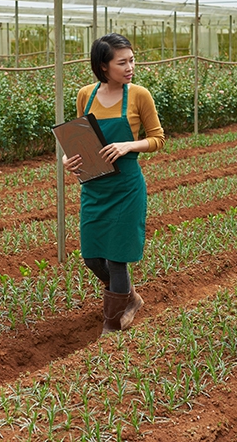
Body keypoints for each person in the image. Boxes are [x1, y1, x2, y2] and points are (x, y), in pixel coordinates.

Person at [62, 33, 165, 335]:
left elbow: (158, 138)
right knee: (92, 256)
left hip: (126, 187)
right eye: (122, 62)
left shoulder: (139, 96)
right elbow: (81, 138)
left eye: (132, 60)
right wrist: (69, 160)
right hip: (95, 185)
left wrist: (128, 146)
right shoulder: (86, 95)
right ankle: (129, 297)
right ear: (103, 66)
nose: (130, 67)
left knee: (117, 259)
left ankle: (112, 325)